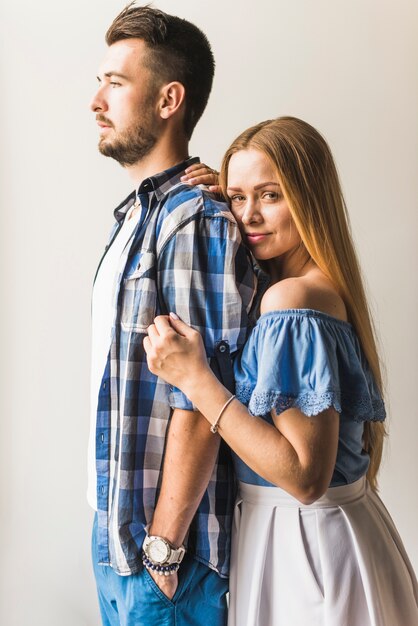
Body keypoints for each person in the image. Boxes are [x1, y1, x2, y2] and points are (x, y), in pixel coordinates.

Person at [144, 116, 418, 626]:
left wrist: (195, 380)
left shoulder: (291, 302)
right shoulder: (307, 288)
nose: (248, 215)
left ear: (309, 199)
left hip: (306, 550)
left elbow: (305, 476)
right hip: (318, 539)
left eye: (270, 196)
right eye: (237, 196)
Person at [88, 4, 257, 625]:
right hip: (118, 542)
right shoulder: (135, 218)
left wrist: (164, 548)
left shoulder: (193, 220)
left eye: (115, 81)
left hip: (166, 562)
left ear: (169, 100)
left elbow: (201, 398)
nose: (95, 101)